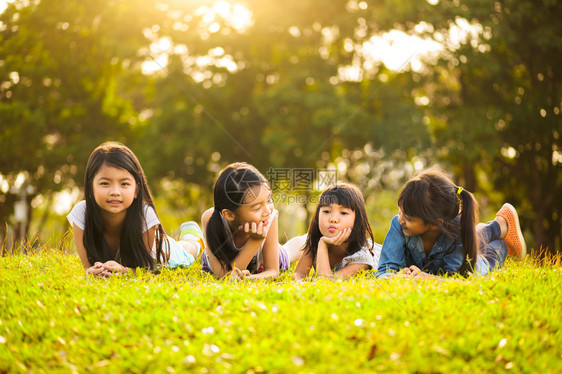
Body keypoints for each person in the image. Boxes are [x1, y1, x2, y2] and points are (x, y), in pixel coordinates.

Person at [67, 142, 204, 277]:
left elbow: (148, 270)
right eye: (105, 183)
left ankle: (194, 239)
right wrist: (92, 271)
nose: (115, 192)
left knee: (185, 251)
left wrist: (126, 272)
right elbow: (87, 267)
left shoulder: (144, 215)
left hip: (157, 251)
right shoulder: (82, 213)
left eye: (124, 184)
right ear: (90, 187)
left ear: (136, 190)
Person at [375, 167, 527, 279]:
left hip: (474, 260)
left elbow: (458, 278)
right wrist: (396, 277)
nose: (400, 219)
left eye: (408, 218)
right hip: (461, 237)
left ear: (435, 223)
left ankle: (501, 235)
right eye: (400, 211)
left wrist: (429, 279)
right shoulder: (398, 224)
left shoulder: (458, 231)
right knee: (471, 237)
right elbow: (384, 269)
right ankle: (490, 228)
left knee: (486, 263)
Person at [201, 162, 301, 279]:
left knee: (289, 251)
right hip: (225, 258)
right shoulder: (209, 218)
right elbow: (225, 276)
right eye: (257, 207)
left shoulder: (269, 217)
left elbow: (273, 271)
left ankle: (312, 236)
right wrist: (254, 241)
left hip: (265, 258)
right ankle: (193, 239)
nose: (268, 211)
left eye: (269, 200)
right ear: (228, 214)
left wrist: (249, 279)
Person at [292, 183, 381, 280]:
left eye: (343, 213)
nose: (333, 219)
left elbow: (326, 281)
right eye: (326, 211)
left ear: (357, 220)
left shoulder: (363, 255)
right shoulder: (313, 241)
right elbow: (299, 274)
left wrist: (323, 244)